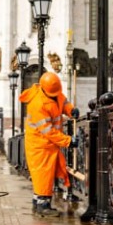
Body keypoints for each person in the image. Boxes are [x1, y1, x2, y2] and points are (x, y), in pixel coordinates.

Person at [20, 72, 76, 217]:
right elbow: (48, 131)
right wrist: (68, 141)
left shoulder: (53, 93)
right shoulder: (37, 104)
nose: (56, 95)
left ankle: (37, 202)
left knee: (46, 174)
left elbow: (62, 101)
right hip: (39, 144)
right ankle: (42, 206)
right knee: (42, 174)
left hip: (48, 144)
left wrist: (71, 110)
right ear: (45, 90)